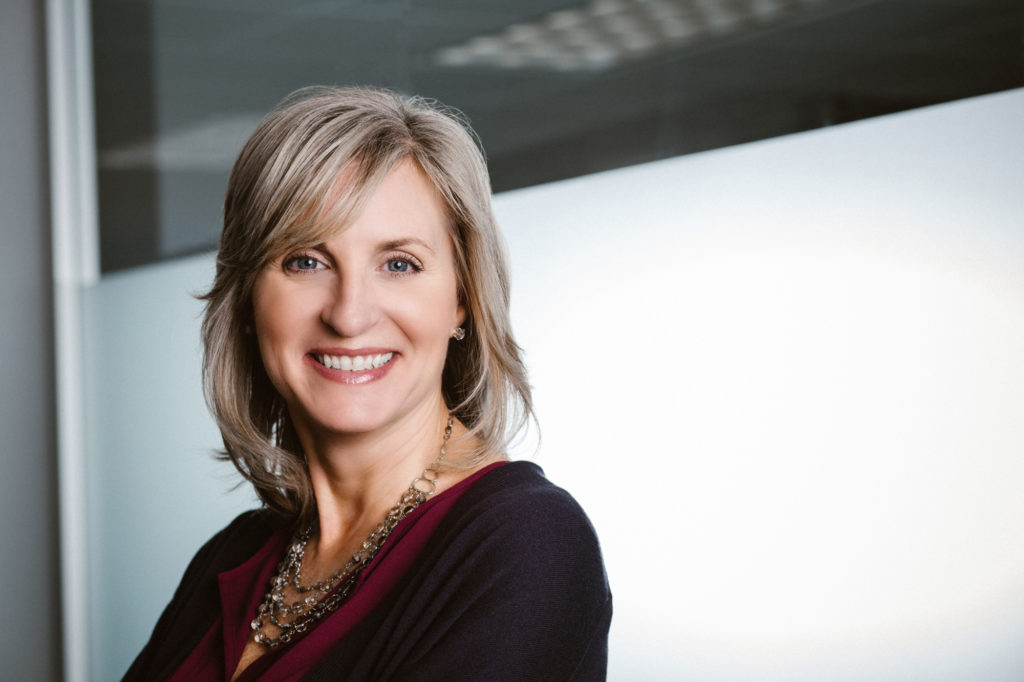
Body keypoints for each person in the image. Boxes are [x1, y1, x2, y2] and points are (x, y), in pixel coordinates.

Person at [123, 86, 611, 681]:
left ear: (462, 298)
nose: (349, 315)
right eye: (305, 260)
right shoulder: (238, 554)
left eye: (398, 264)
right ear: (249, 297)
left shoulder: (524, 546)